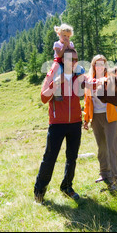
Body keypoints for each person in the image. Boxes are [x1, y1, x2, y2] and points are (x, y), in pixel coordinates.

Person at [34, 48, 85, 204]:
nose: (74, 62)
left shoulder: (78, 74)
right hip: (57, 124)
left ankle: (67, 187)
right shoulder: (55, 72)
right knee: (50, 158)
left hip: (75, 123)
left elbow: (87, 91)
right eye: (71, 59)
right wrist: (56, 83)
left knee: (72, 158)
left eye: (76, 60)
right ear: (63, 60)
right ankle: (39, 192)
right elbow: (43, 97)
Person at [83, 55, 117, 190]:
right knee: (101, 146)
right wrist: (86, 119)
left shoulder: (110, 78)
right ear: (93, 66)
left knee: (112, 146)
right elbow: (87, 101)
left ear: (105, 65)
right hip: (96, 117)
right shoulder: (89, 81)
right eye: (96, 64)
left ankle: (116, 177)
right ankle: (104, 173)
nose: (99, 66)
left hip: (110, 116)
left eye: (102, 64)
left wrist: (106, 82)